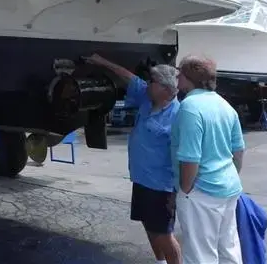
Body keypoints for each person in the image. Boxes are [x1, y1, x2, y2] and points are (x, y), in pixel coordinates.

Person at [85, 54, 182, 264]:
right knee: (148, 224)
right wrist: (102, 61)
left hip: (162, 186)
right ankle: (160, 262)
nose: (147, 84)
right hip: (141, 179)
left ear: (166, 89)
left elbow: (184, 155)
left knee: (164, 232)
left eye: (152, 82)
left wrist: (177, 190)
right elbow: (128, 77)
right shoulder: (147, 98)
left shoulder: (179, 116)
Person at [172, 55, 245, 264]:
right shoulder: (225, 105)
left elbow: (190, 158)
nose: (177, 79)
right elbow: (238, 150)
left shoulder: (190, 108)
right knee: (228, 249)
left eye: (180, 74)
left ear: (188, 78)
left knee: (199, 255)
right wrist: (228, 176)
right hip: (229, 187)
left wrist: (186, 190)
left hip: (201, 192)